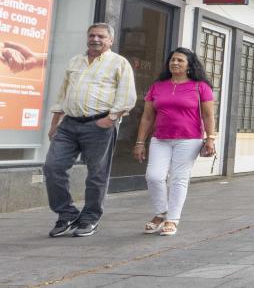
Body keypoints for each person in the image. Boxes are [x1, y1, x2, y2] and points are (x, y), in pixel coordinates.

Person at [43, 23, 137, 237]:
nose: (95, 39)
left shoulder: (119, 63)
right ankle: (66, 214)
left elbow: (127, 97)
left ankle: (90, 218)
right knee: (52, 167)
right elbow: (63, 93)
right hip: (68, 124)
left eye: (101, 36)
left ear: (110, 41)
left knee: (97, 174)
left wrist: (110, 119)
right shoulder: (75, 62)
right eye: (92, 35)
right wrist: (55, 123)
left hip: (99, 125)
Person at [134, 48, 216, 236]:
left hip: (189, 139)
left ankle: (172, 219)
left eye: (180, 60)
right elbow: (147, 117)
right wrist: (140, 142)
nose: (175, 63)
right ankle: (161, 212)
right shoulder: (158, 86)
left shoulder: (200, 86)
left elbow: (208, 114)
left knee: (179, 179)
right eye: (172, 60)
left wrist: (210, 138)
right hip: (160, 138)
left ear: (189, 65)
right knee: (154, 176)